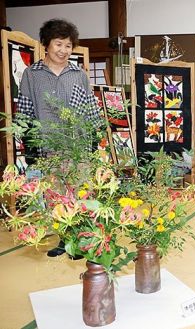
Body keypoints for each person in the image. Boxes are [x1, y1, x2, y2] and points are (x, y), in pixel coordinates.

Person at [17, 19, 101, 257]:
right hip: (47, 146)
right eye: (59, 44)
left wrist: (94, 140)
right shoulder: (31, 75)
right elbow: (25, 111)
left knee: (81, 192)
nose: (64, 50)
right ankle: (65, 241)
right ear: (46, 44)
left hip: (78, 147)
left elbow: (90, 108)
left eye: (68, 45)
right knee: (56, 196)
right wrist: (29, 146)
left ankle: (83, 241)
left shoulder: (79, 74)